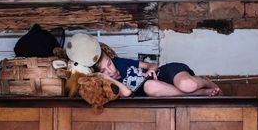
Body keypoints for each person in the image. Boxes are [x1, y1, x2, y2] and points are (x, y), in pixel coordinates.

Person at [94, 51, 222, 97]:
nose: (111, 70)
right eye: (104, 71)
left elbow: (152, 65)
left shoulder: (119, 62)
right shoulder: (112, 86)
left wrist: (151, 69)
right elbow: (127, 93)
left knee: (187, 85)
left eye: (109, 63)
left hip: (165, 73)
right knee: (149, 86)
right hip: (159, 89)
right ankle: (201, 93)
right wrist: (105, 79)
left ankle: (205, 81)